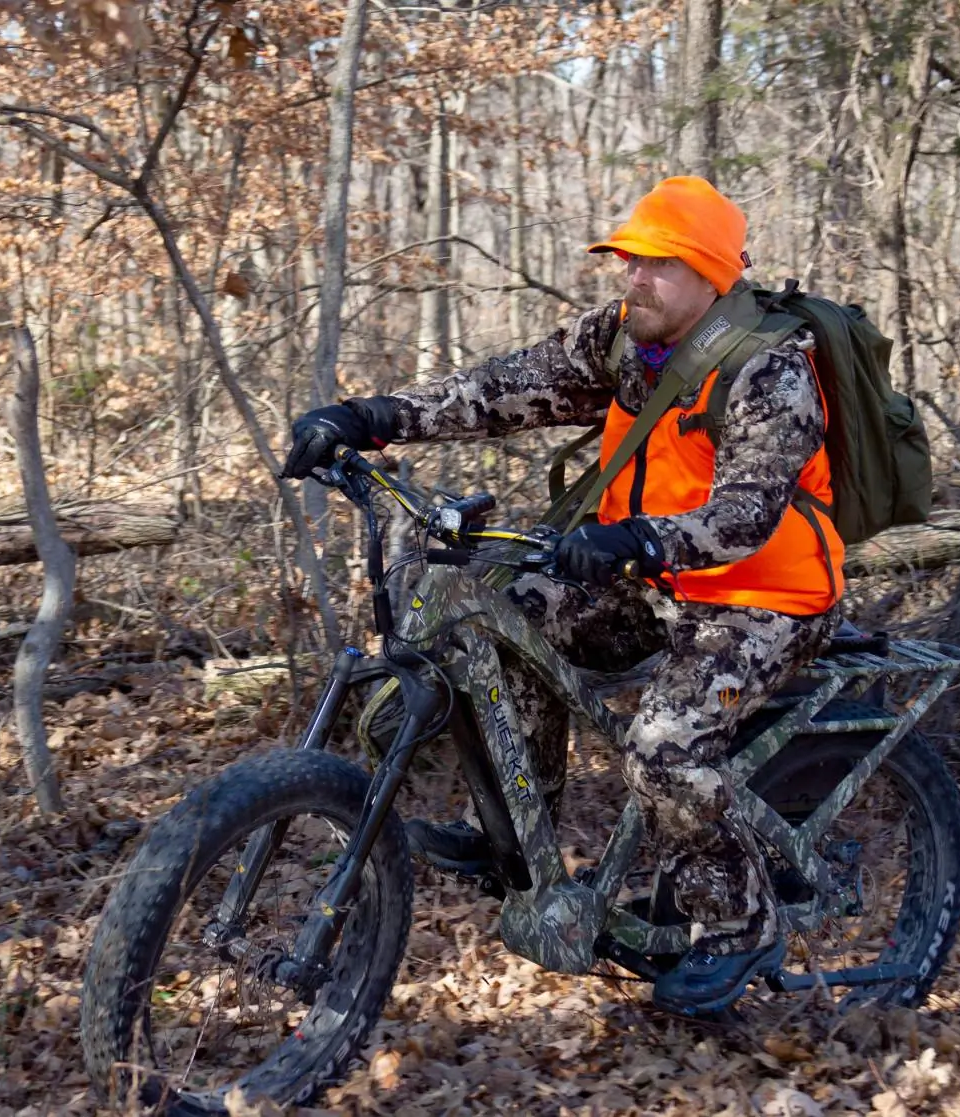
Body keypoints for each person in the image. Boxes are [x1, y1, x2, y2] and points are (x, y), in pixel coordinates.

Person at [280, 176, 844, 1016]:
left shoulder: (770, 369)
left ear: (711, 276)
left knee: (662, 746)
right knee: (506, 622)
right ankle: (519, 834)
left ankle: (740, 921)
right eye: (629, 262)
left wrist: (638, 538)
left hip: (764, 595)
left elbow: (745, 516)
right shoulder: (625, 341)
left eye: (657, 265)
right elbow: (504, 388)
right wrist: (372, 416)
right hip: (654, 579)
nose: (633, 279)